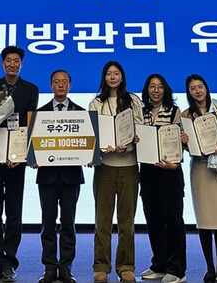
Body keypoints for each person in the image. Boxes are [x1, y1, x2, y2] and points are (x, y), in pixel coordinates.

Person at [0, 46, 39, 283]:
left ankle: (10, 261)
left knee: (14, 212)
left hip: (16, 157)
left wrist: (21, 154)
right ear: (2, 63)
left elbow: (29, 123)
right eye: (8, 60)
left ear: (21, 64)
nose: (12, 64)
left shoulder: (31, 89)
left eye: (16, 61)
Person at [89, 61, 144, 283]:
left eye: (116, 73)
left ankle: (126, 266)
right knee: (102, 219)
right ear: (104, 77)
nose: (112, 77)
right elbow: (92, 134)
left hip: (129, 165)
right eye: (109, 74)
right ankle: (101, 265)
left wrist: (132, 141)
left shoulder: (134, 100)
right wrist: (103, 148)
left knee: (126, 220)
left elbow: (140, 128)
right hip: (105, 167)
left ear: (122, 77)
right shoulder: (96, 103)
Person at [34, 70, 85, 283]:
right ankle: (49, 267)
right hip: (47, 175)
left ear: (70, 85)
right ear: (51, 86)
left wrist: (89, 155)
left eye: (64, 82)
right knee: (47, 224)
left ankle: (65, 268)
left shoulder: (81, 114)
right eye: (56, 82)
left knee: (68, 223)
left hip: (71, 176)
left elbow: (87, 144)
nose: (61, 85)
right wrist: (33, 157)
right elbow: (33, 145)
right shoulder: (39, 114)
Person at [182, 75, 217, 283]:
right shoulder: (185, 115)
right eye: (193, 88)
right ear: (189, 92)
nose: (197, 91)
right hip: (200, 169)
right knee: (204, 220)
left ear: (206, 88)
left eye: (200, 86)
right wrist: (184, 141)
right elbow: (184, 147)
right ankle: (209, 268)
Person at [139, 74, 187, 283]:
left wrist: (176, 161)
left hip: (170, 170)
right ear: (147, 90)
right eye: (152, 86)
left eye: (160, 86)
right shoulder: (140, 112)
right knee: (154, 219)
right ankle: (159, 264)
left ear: (165, 90)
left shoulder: (175, 111)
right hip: (148, 171)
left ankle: (177, 269)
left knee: (173, 220)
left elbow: (182, 142)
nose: (156, 90)